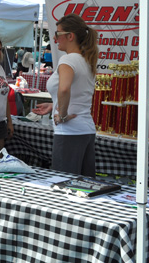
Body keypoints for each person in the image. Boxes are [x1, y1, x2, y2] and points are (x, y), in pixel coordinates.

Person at [32, 14, 99, 176]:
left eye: (58, 34)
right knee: (84, 185)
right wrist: (54, 105)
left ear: (70, 36)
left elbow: (64, 89)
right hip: (85, 130)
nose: (55, 39)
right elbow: (77, 94)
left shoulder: (67, 60)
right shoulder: (85, 60)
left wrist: (61, 115)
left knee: (63, 186)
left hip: (70, 131)